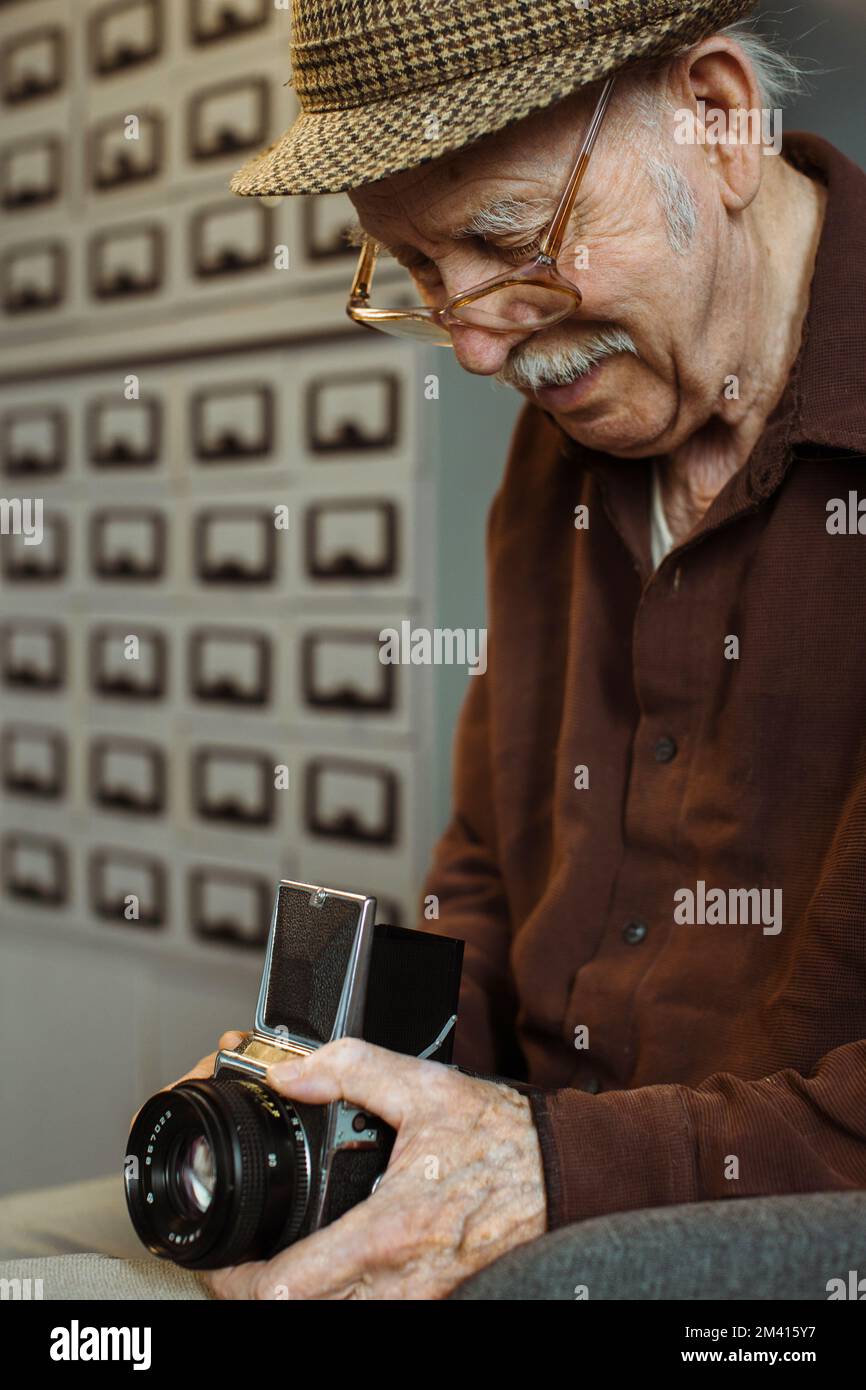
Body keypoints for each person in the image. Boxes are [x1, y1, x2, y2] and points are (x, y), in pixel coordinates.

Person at [3, 0, 865, 1301]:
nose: (472, 347)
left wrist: (541, 1167)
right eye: (412, 268)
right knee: (36, 1266)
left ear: (718, 119)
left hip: (770, 1223)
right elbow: (487, 867)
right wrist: (327, 1078)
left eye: (506, 241)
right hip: (531, 1163)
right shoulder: (563, 443)